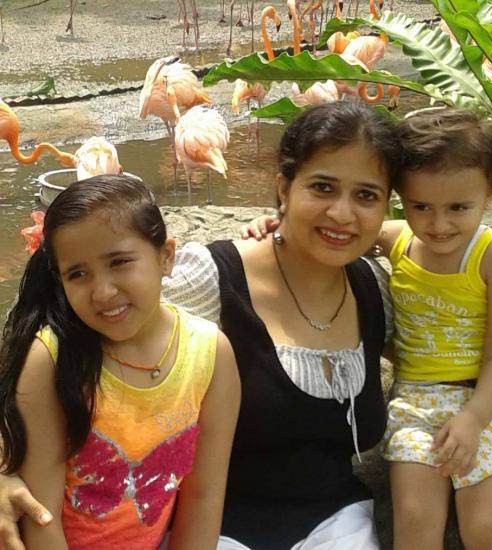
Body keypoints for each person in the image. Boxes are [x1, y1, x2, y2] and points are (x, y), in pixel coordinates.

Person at [0, 99, 401, 550]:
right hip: (221, 531)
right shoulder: (208, 279)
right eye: (323, 188)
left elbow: (463, 346)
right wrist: (5, 464)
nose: (343, 215)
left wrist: (400, 237)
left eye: (366, 196)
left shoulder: (378, 292)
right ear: (284, 188)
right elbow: (46, 328)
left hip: (336, 524)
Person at [242, 107, 492, 549]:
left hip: (480, 401)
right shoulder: (399, 239)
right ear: (401, 198)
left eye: (458, 208)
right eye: (421, 206)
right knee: (414, 525)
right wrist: (279, 221)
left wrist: (473, 420)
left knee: (485, 529)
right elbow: (333, 227)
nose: (439, 224)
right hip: (413, 403)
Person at [0, 174, 240, 550]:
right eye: (77, 274)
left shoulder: (211, 356)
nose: (103, 292)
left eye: (120, 262)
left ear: (166, 256)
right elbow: (40, 517)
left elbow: (204, 496)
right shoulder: (52, 361)